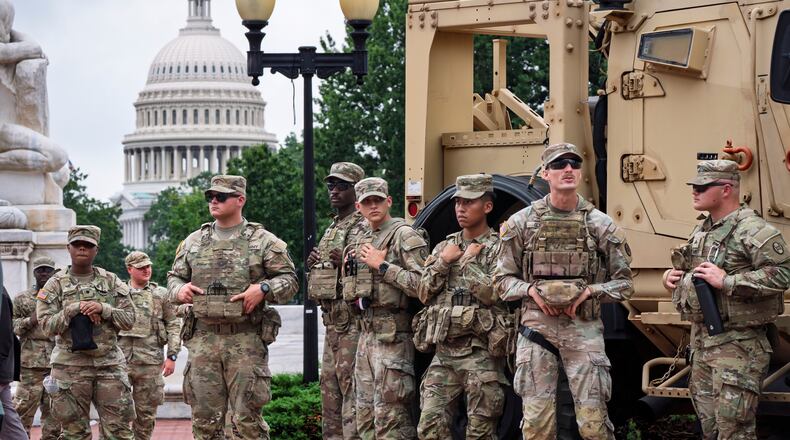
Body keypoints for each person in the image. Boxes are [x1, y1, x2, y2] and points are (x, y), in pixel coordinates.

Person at [493, 143, 634, 440]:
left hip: (584, 332)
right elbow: (501, 281)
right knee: (536, 426)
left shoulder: (600, 224)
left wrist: (591, 292)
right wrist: (530, 290)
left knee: (594, 426)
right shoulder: (522, 223)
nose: (567, 169)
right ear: (546, 173)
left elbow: (625, 284)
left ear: (581, 173)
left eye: (573, 163)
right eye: (559, 164)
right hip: (537, 332)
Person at [662, 160, 790, 439]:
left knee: (735, 431)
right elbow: (694, 272)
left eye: (702, 186)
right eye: (694, 186)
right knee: (711, 430)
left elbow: (783, 274)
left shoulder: (753, 230)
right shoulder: (704, 230)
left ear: (726, 189)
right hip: (703, 345)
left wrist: (728, 281)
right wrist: (672, 278)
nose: (694, 191)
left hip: (739, 347)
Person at [168, 174, 298, 440]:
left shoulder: (263, 241)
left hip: (245, 340)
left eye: (221, 196)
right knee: (205, 421)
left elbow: (290, 280)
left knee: (247, 421)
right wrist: (179, 289)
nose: (214, 201)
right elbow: (174, 277)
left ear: (240, 200)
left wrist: (263, 289)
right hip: (203, 340)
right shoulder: (193, 241)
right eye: (210, 197)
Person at [415, 174, 510, 439]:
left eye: (468, 202)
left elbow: (496, 294)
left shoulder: (499, 249)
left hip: (481, 355)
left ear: (487, 207)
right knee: (429, 429)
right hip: (444, 354)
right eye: (458, 202)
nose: (460, 209)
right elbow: (423, 292)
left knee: (480, 432)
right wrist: (444, 262)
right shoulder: (446, 246)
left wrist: (468, 264)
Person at [345, 176, 428, 439]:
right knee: (366, 418)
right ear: (358, 207)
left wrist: (383, 266)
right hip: (366, 336)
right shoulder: (361, 240)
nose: (373, 206)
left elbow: (424, 287)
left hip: (393, 339)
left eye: (378, 200)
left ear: (389, 201)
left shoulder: (404, 235)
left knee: (392, 420)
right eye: (366, 202)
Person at [36, 225, 136, 440]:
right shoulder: (54, 284)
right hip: (69, 368)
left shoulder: (110, 281)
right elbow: (46, 326)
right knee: (74, 433)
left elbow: (130, 320)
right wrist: (72, 310)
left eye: (88, 245)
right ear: (68, 248)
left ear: (96, 250)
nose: (82, 249)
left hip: (109, 365)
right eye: (77, 245)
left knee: (118, 432)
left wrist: (104, 309)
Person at [306, 162, 367, 439]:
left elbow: (369, 270)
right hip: (332, 321)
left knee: (351, 392)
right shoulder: (334, 225)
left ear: (356, 190)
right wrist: (315, 264)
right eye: (331, 185)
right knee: (329, 392)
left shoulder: (363, 224)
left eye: (342, 186)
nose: (334, 191)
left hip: (352, 323)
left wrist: (344, 262)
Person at [119, 251, 181, 440]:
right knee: (117, 412)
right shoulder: (118, 293)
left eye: (148, 266)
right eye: (141, 267)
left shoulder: (161, 295)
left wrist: (172, 356)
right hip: (120, 362)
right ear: (130, 269)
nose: (147, 270)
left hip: (150, 363)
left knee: (146, 415)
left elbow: (173, 324)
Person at [12, 255, 59, 439]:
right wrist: (31, 320)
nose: (44, 273)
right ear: (34, 273)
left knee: (54, 416)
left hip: (56, 365)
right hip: (30, 366)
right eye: (40, 270)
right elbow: (13, 327)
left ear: (54, 273)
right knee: (22, 413)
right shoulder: (22, 298)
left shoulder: (61, 298)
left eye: (48, 270)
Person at [1, 282, 26, 440]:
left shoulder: (1, 296)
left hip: (1, 368)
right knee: (8, 418)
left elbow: (4, 337)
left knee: (9, 418)